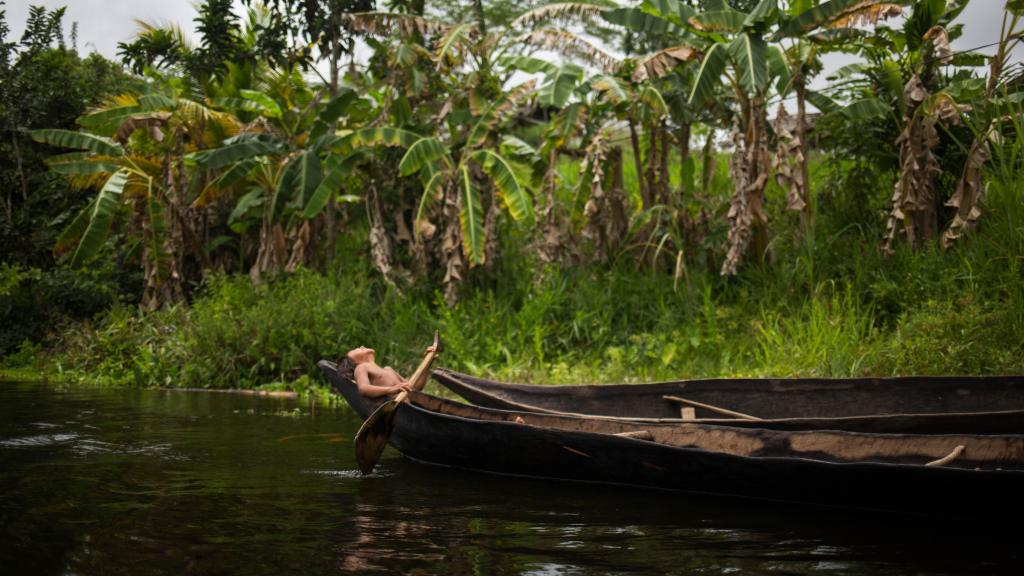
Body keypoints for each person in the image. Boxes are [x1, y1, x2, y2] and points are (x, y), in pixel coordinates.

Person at [336, 345, 437, 398]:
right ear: (355, 362)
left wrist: (427, 363)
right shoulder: (361, 367)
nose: (361, 346)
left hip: (409, 408)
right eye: (356, 349)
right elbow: (363, 389)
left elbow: (414, 388)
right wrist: (391, 389)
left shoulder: (388, 370)